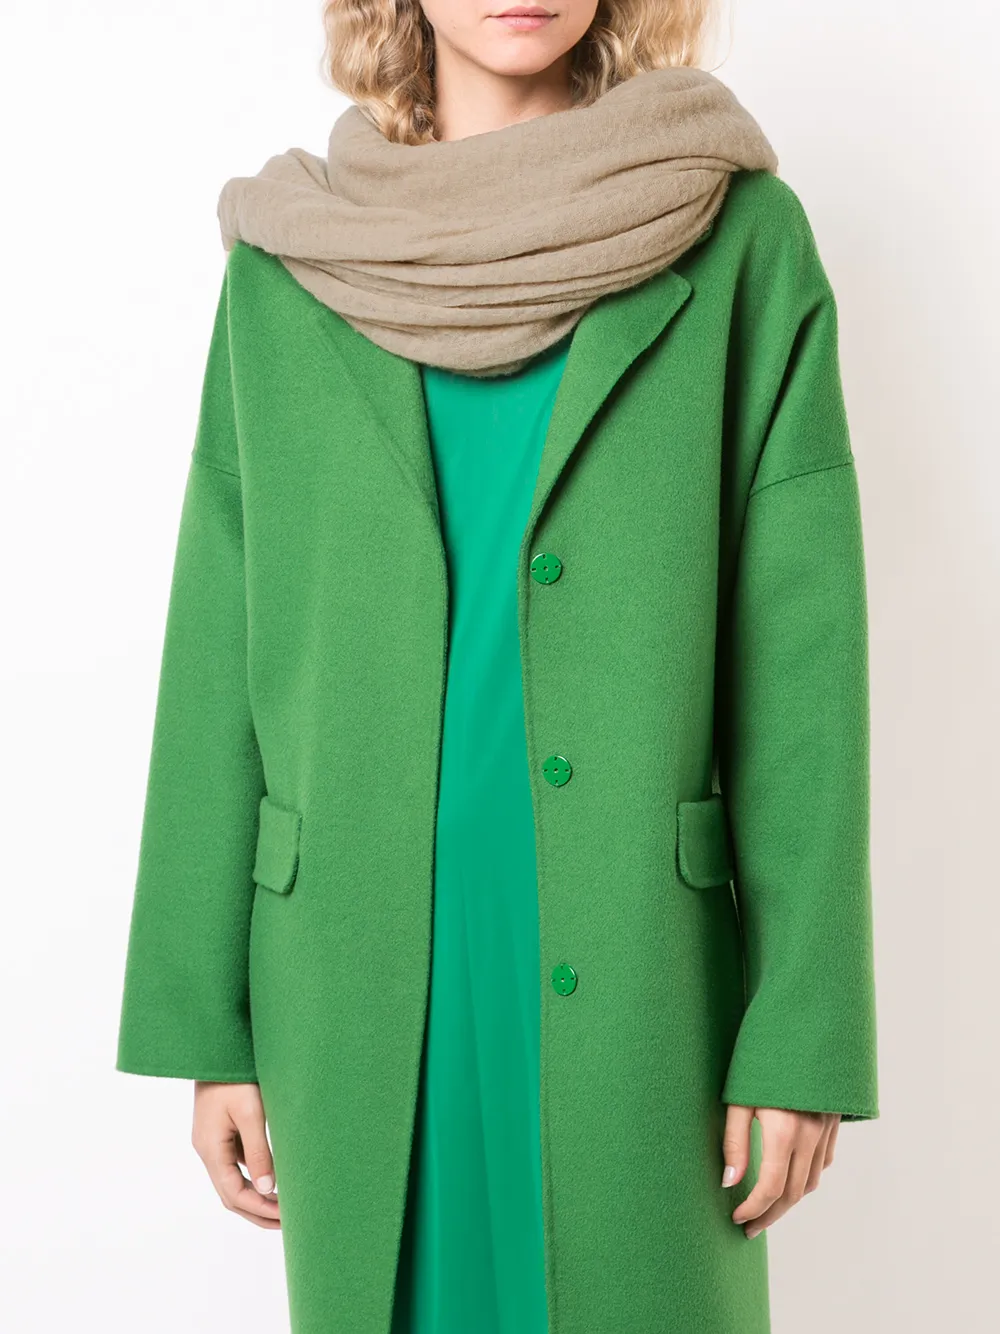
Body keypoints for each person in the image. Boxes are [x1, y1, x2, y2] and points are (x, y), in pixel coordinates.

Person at [115, 3, 880, 1332]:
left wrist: (803, 1032)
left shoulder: (737, 237)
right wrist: (203, 1019)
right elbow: (221, 645)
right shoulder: (291, 265)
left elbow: (803, 671)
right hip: (353, 968)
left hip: (641, 976)